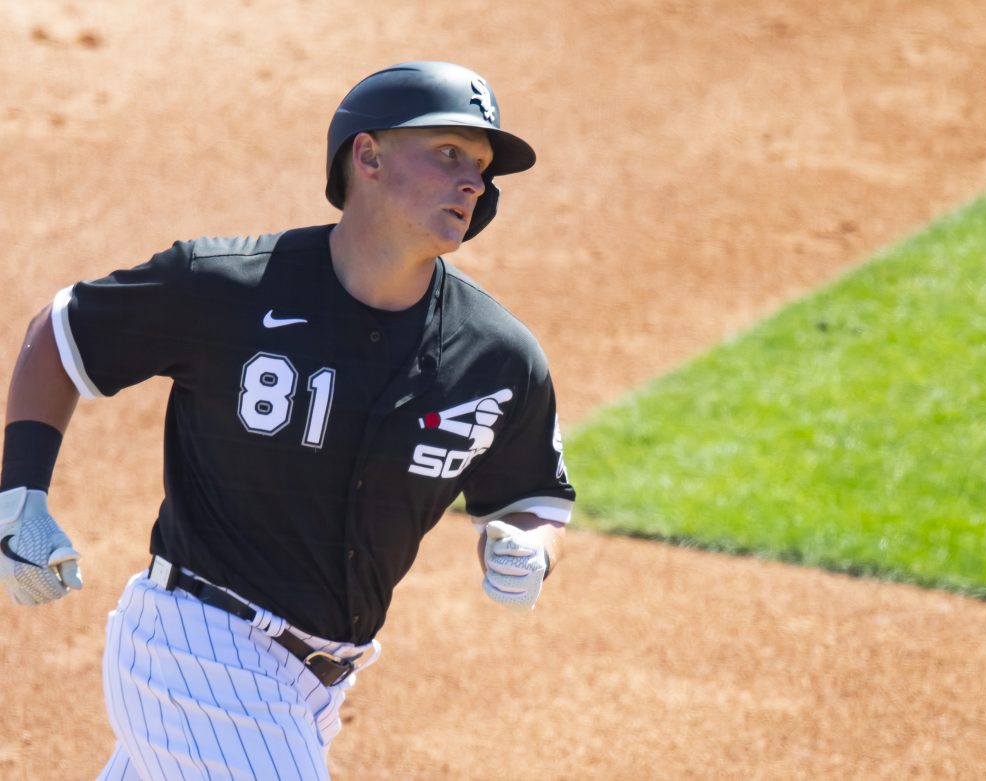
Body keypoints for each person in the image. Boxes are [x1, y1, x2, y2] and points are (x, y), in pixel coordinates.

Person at [0, 61, 575, 780]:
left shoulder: (497, 355)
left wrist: (531, 546)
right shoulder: (227, 286)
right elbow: (60, 333)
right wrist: (20, 495)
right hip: (196, 648)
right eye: (449, 153)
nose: (473, 183)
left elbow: (534, 493)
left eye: (484, 168)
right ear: (366, 155)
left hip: (319, 684)